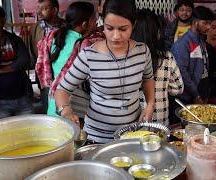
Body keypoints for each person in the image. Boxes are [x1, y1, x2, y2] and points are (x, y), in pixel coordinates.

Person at [54, 0, 155, 143]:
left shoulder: (142, 51)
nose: (115, 36)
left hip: (132, 135)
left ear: (134, 25)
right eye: (109, 28)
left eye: (123, 29)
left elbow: (148, 79)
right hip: (97, 139)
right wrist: (66, 111)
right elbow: (62, 90)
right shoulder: (89, 56)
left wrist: (150, 104)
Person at [37, 2, 96, 116]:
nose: (96, 23)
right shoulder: (83, 44)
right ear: (84, 24)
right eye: (94, 19)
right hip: (69, 105)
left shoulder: (55, 36)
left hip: (54, 100)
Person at [0, 4, 33, 120]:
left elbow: (24, 62)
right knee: (4, 135)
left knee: (28, 132)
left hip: (23, 97)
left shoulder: (14, 39)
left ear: (2, 20)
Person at [131, 9, 183, 126]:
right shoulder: (166, 57)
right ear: (157, 32)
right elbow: (178, 89)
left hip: (133, 121)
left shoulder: (128, 59)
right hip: (160, 122)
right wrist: (162, 86)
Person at [171, 6, 215, 105]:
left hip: (202, 91)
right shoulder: (182, 43)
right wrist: (196, 95)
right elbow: (182, 72)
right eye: (205, 23)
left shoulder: (201, 40)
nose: (208, 27)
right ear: (195, 22)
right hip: (189, 96)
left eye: (209, 23)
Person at [28, 0, 65, 113]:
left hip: (63, 71)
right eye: (38, 8)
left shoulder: (65, 26)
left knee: (64, 101)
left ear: (55, 10)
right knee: (47, 102)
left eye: (44, 8)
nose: (39, 11)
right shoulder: (35, 28)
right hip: (45, 74)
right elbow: (32, 50)